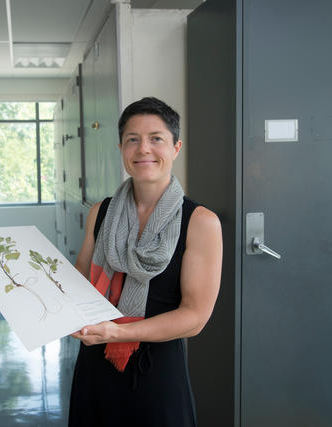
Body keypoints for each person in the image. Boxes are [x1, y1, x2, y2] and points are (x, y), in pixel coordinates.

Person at [68, 97, 222, 426]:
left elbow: (194, 318)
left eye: (156, 139)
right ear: (121, 148)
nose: (143, 149)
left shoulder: (200, 222)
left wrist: (118, 334)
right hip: (95, 364)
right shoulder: (101, 212)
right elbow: (77, 284)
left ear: (176, 147)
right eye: (132, 140)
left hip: (156, 375)